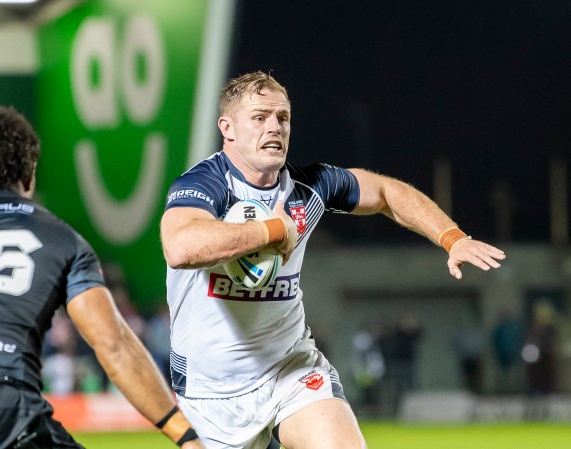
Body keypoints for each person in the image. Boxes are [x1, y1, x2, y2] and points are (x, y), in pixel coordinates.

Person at [160, 71, 506, 449]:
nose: (274, 127)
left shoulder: (311, 185)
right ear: (227, 128)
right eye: (260, 118)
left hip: (289, 369)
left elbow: (387, 191)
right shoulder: (204, 184)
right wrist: (272, 231)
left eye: (283, 118)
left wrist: (451, 236)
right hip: (210, 391)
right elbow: (180, 247)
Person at [0, 106, 205, 449]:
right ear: (30, 175)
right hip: (6, 414)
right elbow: (113, 344)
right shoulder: (61, 240)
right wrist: (185, 435)